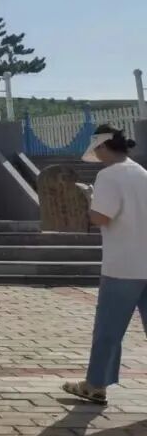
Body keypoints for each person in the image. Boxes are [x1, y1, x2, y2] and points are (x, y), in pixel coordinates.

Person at [63, 125, 147, 405]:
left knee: (109, 330)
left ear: (101, 146)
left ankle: (96, 384)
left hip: (122, 266)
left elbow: (101, 217)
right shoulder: (142, 173)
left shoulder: (109, 175)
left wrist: (89, 197)